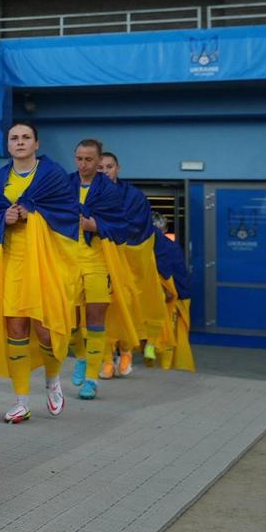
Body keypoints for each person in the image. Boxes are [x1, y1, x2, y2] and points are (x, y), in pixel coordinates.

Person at [0, 122, 80, 424]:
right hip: (12, 260)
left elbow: (67, 214)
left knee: (45, 327)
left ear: (37, 144)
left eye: (26, 137)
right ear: (7, 145)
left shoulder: (53, 176)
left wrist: (34, 214)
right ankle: (21, 399)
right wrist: (4, 217)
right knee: (15, 328)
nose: (20, 142)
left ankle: (52, 379)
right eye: (14, 138)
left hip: (45, 261)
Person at [68, 139, 136, 399]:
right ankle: (82, 358)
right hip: (69, 260)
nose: (83, 164)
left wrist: (95, 227)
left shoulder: (110, 191)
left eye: (88, 159)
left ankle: (92, 379)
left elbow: (122, 228)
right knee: (70, 319)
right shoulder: (65, 184)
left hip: (97, 262)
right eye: (79, 159)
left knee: (95, 320)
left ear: (98, 162)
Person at [98, 152, 173, 369]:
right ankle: (105, 357)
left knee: (128, 305)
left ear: (118, 168)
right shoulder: (89, 193)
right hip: (100, 261)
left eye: (109, 167)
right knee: (102, 308)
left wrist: (105, 231)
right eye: (100, 167)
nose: (105, 171)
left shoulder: (134, 196)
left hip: (131, 262)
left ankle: (126, 351)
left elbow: (136, 229)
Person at [152, 216, 196, 372]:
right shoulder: (173, 247)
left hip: (168, 296)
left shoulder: (154, 247)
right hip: (179, 296)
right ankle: (172, 365)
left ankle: (160, 364)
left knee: (163, 332)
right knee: (175, 333)